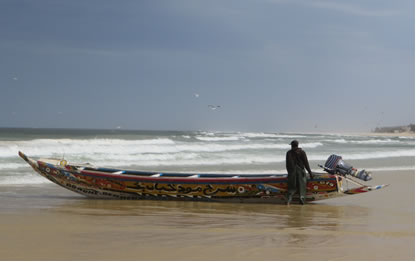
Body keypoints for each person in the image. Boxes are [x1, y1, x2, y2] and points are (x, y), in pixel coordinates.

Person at [286, 140, 314, 205]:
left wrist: (289, 173)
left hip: (292, 172)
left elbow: (287, 164)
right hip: (301, 171)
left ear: (292, 145)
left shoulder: (289, 153)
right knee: (302, 186)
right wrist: (310, 173)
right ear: (297, 145)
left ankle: (289, 200)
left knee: (291, 187)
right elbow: (306, 163)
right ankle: (302, 199)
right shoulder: (302, 152)